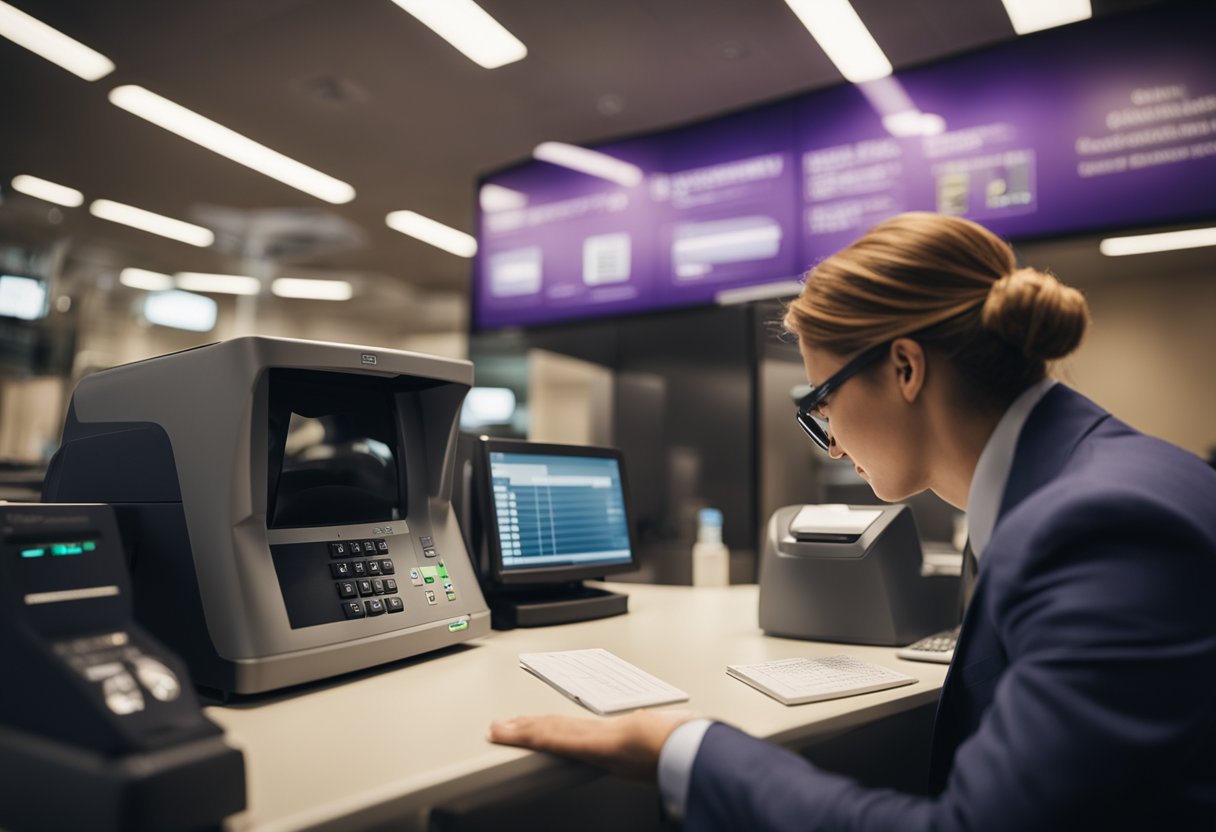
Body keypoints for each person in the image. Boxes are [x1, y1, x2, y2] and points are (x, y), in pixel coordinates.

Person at [489, 212, 1216, 830]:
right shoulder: (1087, 483)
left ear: (905, 369)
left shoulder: (1098, 524)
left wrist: (685, 746)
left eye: (823, 402)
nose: (830, 440)